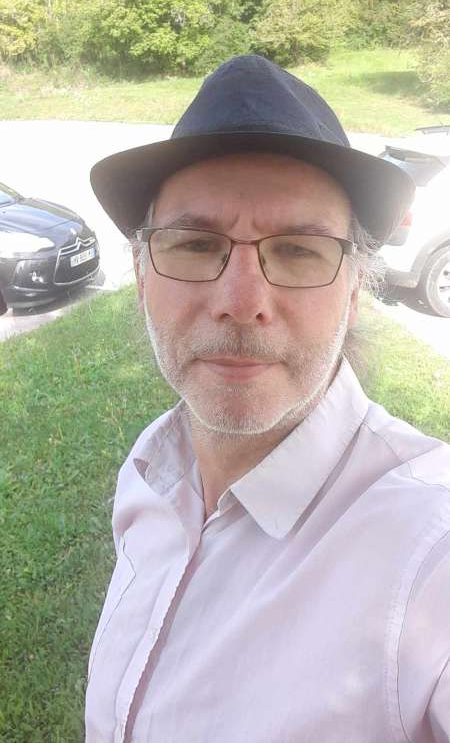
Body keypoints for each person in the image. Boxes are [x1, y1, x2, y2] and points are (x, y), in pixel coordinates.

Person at [85, 56, 450, 742]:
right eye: (197, 244)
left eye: (299, 251)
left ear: (354, 290)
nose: (241, 301)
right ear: (140, 275)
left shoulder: (431, 551)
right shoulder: (151, 470)